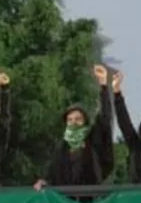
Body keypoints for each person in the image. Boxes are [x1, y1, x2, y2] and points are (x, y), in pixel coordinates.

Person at [34, 64, 114, 192]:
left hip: (91, 201)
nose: (73, 123)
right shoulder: (61, 148)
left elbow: (105, 118)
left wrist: (103, 85)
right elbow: (50, 175)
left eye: (78, 119)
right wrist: (43, 181)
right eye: (70, 120)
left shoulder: (92, 141)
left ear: (85, 122)